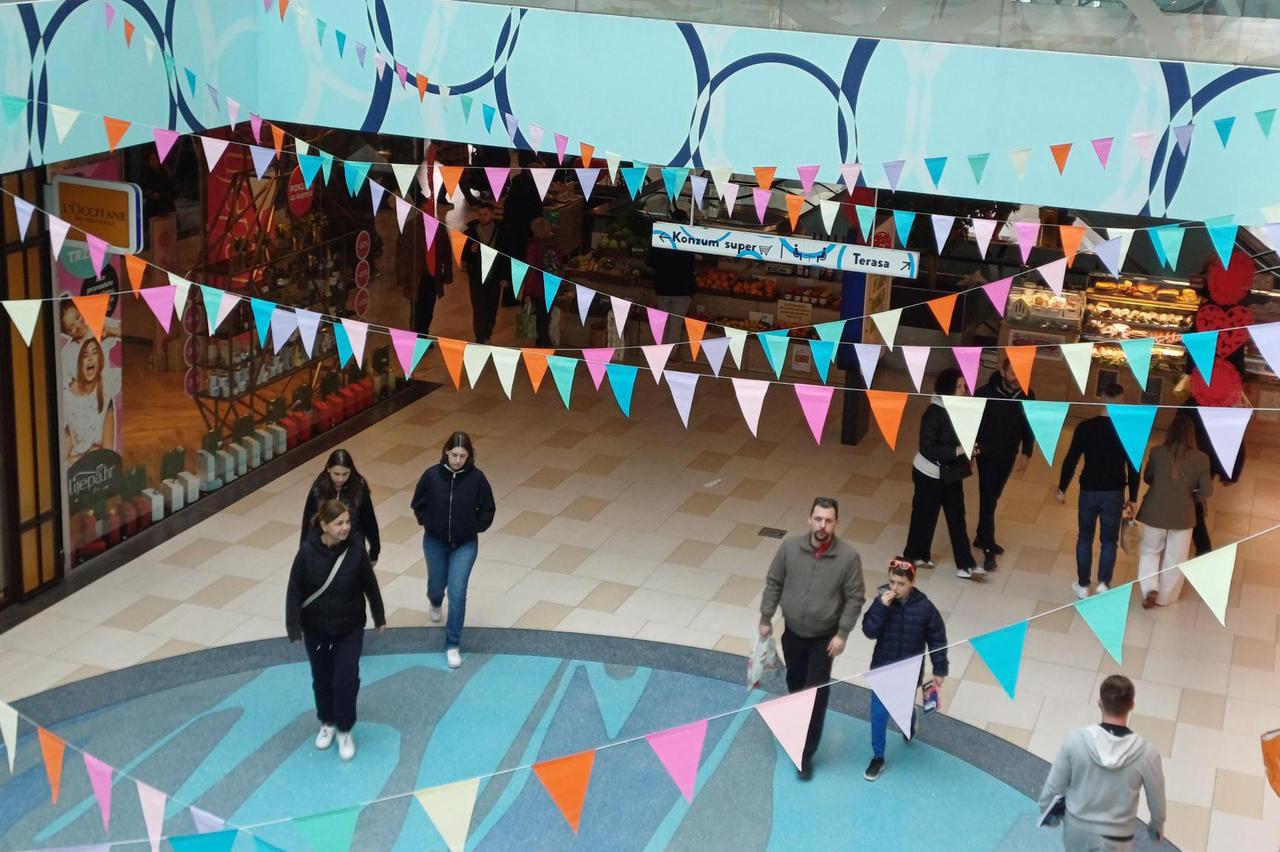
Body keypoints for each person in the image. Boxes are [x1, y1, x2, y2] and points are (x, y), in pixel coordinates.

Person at [758, 497, 866, 779]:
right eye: (818, 519)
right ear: (809, 519)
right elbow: (774, 582)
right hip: (793, 633)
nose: (822, 525)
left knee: (815, 694)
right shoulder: (789, 547)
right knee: (796, 686)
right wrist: (766, 617)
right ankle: (797, 724)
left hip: (824, 639)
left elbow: (855, 597)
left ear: (836, 523)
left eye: (828, 521)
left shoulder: (848, 557)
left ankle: (804, 753)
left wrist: (842, 633)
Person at [286, 499, 386, 761]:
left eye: (347, 522)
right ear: (324, 525)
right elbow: (294, 590)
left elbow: (369, 583)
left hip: (349, 627)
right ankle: (327, 721)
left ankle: (344, 728)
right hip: (316, 628)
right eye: (339, 523)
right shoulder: (306, 553)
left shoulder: (355, 550)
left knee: (346, 679)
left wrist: (378, 615)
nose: (345, 527)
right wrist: (293, 626)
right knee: (322, 677)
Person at [1038, 675, 1166, 851]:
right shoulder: (1147, 753)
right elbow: (1156, 796)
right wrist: (1157, 825)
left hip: (1077, 832)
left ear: (1100, 703)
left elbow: (1053, 787)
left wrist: (1048, 813)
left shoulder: (1075, 740)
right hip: (1117, 839)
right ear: (1132, 706)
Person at [410, 431, 496, 669]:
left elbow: (488, 509)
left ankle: (452, 644)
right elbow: (418, 503)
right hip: (435, 541)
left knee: (457, 593)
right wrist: (428, 521)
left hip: (464, 544)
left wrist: (473, 527)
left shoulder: (477, 479)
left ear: (469, 456)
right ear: (446, 452)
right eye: (454, 455)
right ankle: (435, 601)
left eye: (462, 456)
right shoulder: (431, 476)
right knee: (437, 584)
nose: (457, 460)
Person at [859, 558, 948, 782]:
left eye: (901, 584)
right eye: (892, 582)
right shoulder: (881, 602)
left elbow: (937, 639)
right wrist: (881, 607)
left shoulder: (925, 608)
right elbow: (869, 631)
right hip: (882, 669)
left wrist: (939, 668)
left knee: (902, 707)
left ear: (912, 582)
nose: (895, 588)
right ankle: (878, 757)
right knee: (878, 715)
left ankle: (909, 717)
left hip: (909, 672)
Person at [1055, 384, 1140, 599]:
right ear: (1122, 401)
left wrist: (1062, 488)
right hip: (1114, 492)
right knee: (1109, 541)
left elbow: (1071, 460)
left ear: (1102, 398)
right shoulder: (1129, 430)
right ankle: (1103, 583)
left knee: (1085, 537)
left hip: (1088, 490)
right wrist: (1133, 497)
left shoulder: (1085, 427)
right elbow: (1133, 468)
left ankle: (1083, 585)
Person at [903, 368, 981, 578]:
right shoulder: (933, 414)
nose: (964, 390)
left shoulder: (959, 409)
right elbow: (927, 448)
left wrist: (970, 451)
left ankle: (965, 565)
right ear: (948, 389)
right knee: (924, 516)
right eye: (959, 386)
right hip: (928, 474)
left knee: (957, 517)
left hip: (950, 473)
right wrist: (959, 450)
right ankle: (915, 555)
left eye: (963, 386)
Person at [1136, 416, 1213, 609]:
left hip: (1155, 511)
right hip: (1184, 515)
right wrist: (1191, 498)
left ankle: (1150, 588)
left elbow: (1148, 478)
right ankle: (1165, 597)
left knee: (1149, 551)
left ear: (1169, 432)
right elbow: (1206, 491)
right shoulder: (1202, 459)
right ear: (1191, 435)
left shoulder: (1157, 452)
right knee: (1176, 558)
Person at [973, 358, 1036, 570]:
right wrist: (970, 451)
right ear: (1002, 372)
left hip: (1008, 454)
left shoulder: (1028, 395)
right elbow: (973, 423)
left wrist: (1027, 452)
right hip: (986, 454)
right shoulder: (984, 394)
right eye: (1012, 373)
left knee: (994, 495)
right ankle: (988, 548)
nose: (1016, 378)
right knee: (988, 498)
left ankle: (981, 536)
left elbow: (1028, 425)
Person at [300, 450, 381, 566]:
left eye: (345, 474)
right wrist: (304, 552)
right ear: (328, 469)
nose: (340, 479)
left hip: (353, 544)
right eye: (336, 474)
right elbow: (308, 522)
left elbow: (369, 520)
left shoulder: (359, 487)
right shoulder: (318, 488)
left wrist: (374, 550)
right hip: (325, 546)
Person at [63, 338, 120, 464]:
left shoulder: (106, 395)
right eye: (85, 355)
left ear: (100, 362)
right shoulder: (68, 397)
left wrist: (80, 457)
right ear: (80, 365)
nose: (89, 358)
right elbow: (68, 438)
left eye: (94, 353)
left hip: (96, 466)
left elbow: (107, 452)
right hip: (75, 465)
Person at [396, 207, 450, 337]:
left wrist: (448, 274)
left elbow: (446, 252)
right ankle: (418, 338)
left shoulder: (439, 229)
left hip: (432, 277)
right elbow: (402, 253)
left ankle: (423, 335)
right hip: (415, 277)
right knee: (416, 310)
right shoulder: (410, 227)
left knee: (429, 309)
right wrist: (402, 276)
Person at [462, 200, 507, 344]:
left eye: (485, 214)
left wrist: (505, 276)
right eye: (480, 214)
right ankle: (480, 337)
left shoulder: (502, 232)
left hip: (495, 276)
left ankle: (487, 332)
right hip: (477, 276)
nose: (482, 217)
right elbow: (463, 255)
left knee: (492, 306)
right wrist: (470, 250)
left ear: (492, 215)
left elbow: (506, 256)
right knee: (479, 307)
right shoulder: (470, 231)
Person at [498, 168, 544, 307]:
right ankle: (527, 298)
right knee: (528, 266)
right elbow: (537, 212)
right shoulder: (533, 190)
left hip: (509, 231)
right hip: (525, 233)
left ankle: (508, 296)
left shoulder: (514, 188)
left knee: (512, 264)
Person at [645, 244, 696, 347]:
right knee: (675, 327)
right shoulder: (686, 241)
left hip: (663, 288)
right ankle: (670, 354)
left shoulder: (660, 241)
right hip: (682, 290)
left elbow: (649, 262)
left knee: (661, 326)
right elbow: (693, 263)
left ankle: (659, 352)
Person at [524, 216, 561, 348]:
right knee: (547, 316)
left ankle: (543, 342)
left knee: (540, 318)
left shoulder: (533, 248)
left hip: (538, 288)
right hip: (552, 286)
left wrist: (527, 292)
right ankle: (544, 341)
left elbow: (531, 272)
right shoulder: (554, 246)